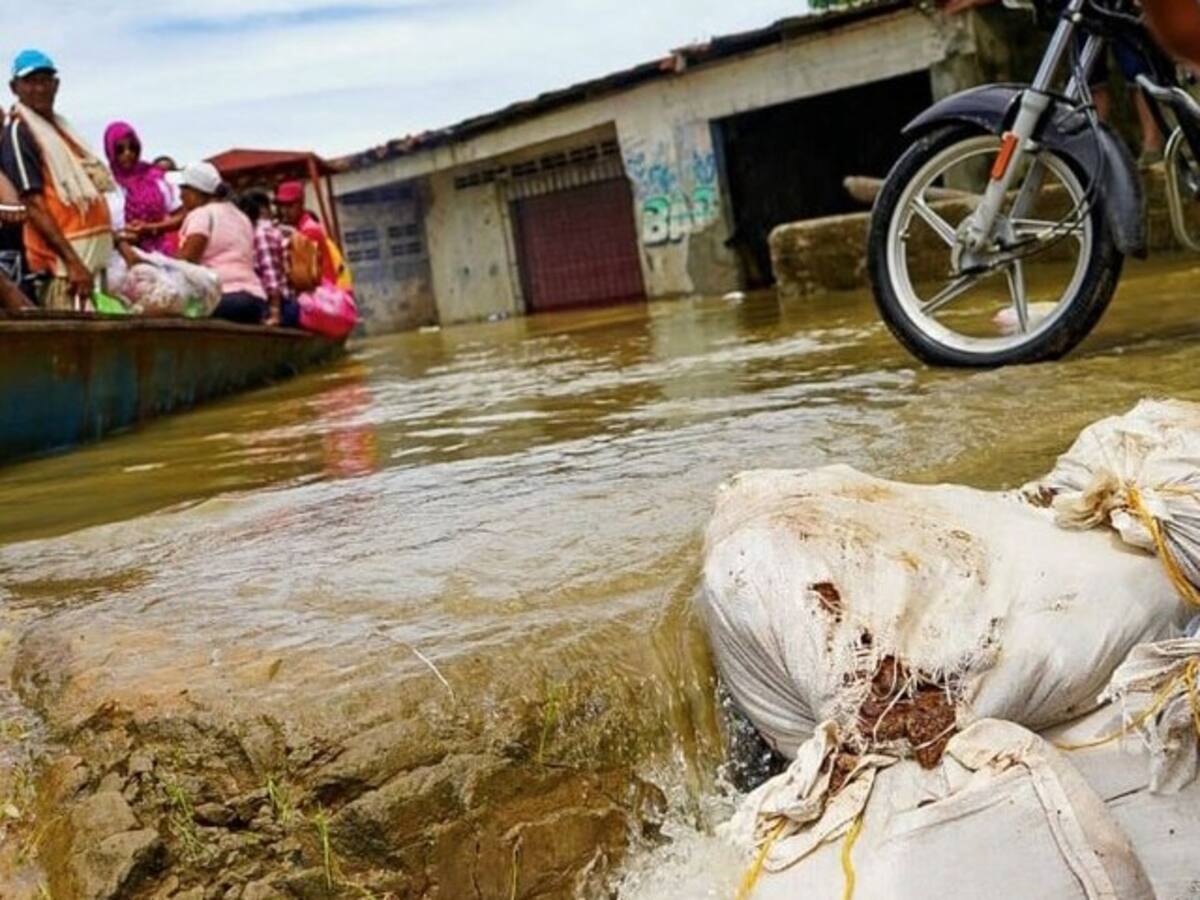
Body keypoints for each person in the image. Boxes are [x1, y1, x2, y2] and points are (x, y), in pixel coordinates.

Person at [0, 49, 113, 310]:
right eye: (30, 82)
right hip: (64, 269)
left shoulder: (62, 131)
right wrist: (72, 262)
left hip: (87, 264)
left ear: (56, 84)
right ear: (14, 88)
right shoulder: (20, 132)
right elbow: (33, 204)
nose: (39, 88)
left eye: (45, 80)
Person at [176, 161, 268, 324]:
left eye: (183, 189)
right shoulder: (242, 217)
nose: (180, 196)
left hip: (223, 296)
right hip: (256, 298)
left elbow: (188, 259)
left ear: (196, 191)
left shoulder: (202, 214)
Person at [104, 121, 183, 256]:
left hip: (159, 254)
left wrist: (151, 228)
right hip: (118, 257)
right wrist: (119, 237)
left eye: (132, 147)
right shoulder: (103, 184)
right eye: (119, 149)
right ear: (110, 151)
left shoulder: (157, 178)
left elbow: (181, 215)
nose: (127, 153)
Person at [237, 190, 298, 327]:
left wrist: (275, 313)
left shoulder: (261, 234)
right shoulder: (276, 230)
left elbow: (271, 276)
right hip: (285, 301)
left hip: (281, 305)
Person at [274, 180, 349, 288]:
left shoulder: (308, 230)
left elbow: (304, 276)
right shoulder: (299, 229)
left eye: (290, 206)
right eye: (282, 206)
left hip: (322, 291)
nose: (284, 211)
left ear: (301, 203)